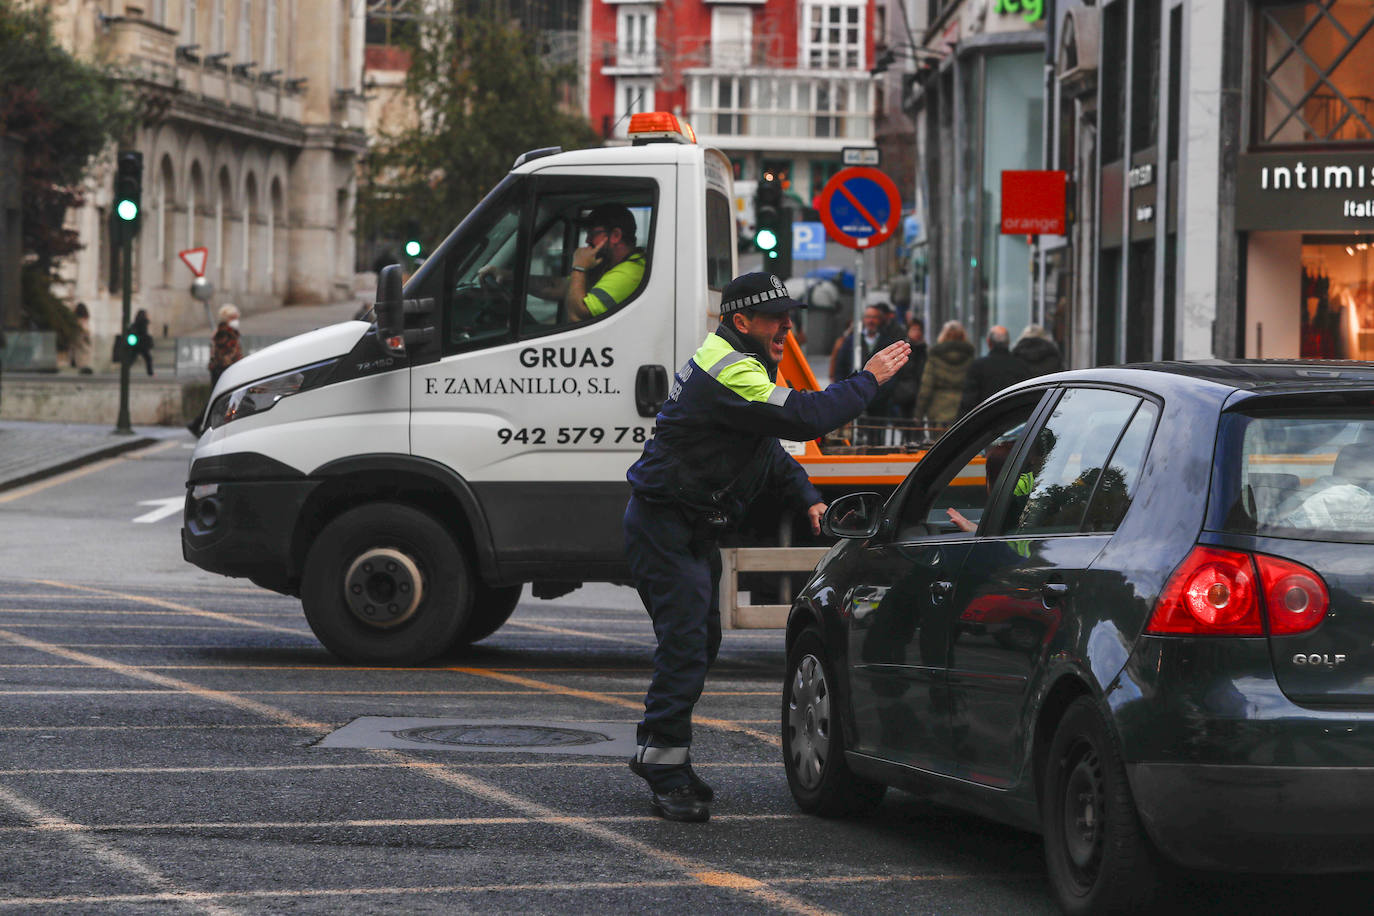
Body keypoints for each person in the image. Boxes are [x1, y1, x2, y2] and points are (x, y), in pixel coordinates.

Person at [623, 271, 910, 822]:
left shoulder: (738, 361)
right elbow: (806, 416)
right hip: (665, 525)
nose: (787, 325)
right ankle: (663, 769)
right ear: (741, 322)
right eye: (776, 317)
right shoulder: (731, 369)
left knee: (698, 642)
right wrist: (868, 378)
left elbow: (769, 451)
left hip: (684, 525)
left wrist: (806, 497)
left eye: (789, 314)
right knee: (686, 645)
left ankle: (662, 755)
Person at [833, 303, 905, 441]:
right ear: (863, 320)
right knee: (855, 436)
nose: (871, 321)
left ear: (880, 320)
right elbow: (840, 366)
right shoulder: (852, 341)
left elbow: (895, 370)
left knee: (877, 438)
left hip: (879, 400)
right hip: (854, 395)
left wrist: (883, 392)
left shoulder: (887, 339)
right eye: (868, 317)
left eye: (874, 317)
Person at [564, 204, 645, 321]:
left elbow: (577, 316)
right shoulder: (609, 264)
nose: (587, 240)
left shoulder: (629, 273)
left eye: (592, 234)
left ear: (616, 235)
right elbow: (563, 288)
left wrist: (579, 268)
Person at [959, 325, 1033, 417]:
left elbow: (969, 402)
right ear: (1008, 342)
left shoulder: (978, 366)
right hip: (1014, 421)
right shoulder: (1021, 366)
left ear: (989, 342)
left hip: (986, 422)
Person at [914, 320, 974, 432]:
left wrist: (919, 414)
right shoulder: (970, 356)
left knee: (939, 445)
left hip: (938, 410)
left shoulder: (935, 356)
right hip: (963, 409)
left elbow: (926, 388)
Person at [891, 317, 928, 420]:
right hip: (905, 393)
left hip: (919, 393)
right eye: (914, 329)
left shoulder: (924, 349)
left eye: (919, 330)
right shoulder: (904, 349)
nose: (917, 333)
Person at [209, 303, 244, 388]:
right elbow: (224, 353)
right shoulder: (223, 332)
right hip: (225, 370)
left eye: (236, 317)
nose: (235, 320)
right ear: (226, 319)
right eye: (233, 318)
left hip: (227, 369)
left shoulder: (231, 331)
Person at [127, 308, 154, 376]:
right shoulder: (144, 322)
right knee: (148, 358)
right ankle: (150, 372)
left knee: (132, 358)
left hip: (136, 343)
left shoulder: (136, 322)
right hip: (142, 344)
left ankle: (125, 370)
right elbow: (144, 332)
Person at [71, 302, 93, 374]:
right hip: (83, 345)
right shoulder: (84, 321)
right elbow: (86, 332)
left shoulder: (77, 321)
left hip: (80, 346)